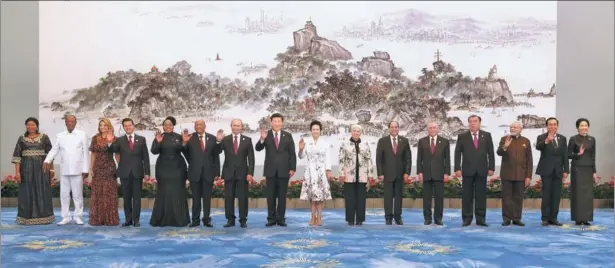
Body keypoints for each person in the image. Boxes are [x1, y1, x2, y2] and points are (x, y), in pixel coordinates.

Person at [43, 113, 89, 225]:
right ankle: (65, 217)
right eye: (68, 121)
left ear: (75, 123)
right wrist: (47, 160)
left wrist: (85, 169)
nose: (70, 123)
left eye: (72, 121)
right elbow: (54, 150)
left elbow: (86, 153)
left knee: (77, 195)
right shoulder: (60, 136)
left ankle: (78, 216)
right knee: (64, 195)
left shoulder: (82, 135)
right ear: (65, 123)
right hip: (64, 170)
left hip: (77, 169)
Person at [255, 113, 297, 227]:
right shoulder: (266, 135)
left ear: (282, 123)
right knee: (271, 196)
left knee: (282, 196)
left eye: (279, 121)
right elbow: (258, 148)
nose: (277, 123)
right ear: (271, 122)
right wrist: (262, 139)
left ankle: (281, 218)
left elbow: (292, 154)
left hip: (284, 170)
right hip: (270, 170)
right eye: (275, 121)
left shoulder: (288, 136)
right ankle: (271, 219)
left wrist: (293, 168)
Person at [11, 117, 55, 225]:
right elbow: (17, 157)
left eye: (33, 124)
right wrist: (17, 172)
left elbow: (51, 154)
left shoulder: (44, 137)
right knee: (26, 191)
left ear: (37, 126)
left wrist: (52, 169)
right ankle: (26, 217)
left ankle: (45, 217)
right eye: (28, 125)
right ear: (26, 126)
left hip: (42, 169)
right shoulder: (21, 138)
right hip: (26, 169)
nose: (30, 127)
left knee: (42, 190)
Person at [454, 115, 495, 227]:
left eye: (475, 121)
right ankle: (466, 219)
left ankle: (481, 219)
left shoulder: (486, 135)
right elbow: (457, 153)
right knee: (467, 196)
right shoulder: (462, 136)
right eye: (470, 121)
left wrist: (491, 167)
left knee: (481, 196)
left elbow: (490, 153)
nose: (473, 123)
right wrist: (457, 168)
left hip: (482, 170)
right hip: (467, 170)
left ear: (479, 123)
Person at [109, 118, 150, 227]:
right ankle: (128, 220)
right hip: (124, 173)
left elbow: (145, 157)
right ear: (123, 127)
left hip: (137, 172)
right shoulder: (119, 140)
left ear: (133, 126)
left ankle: (136, 220)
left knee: (136, 198)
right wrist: (110, 142)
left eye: (129, 125)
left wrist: (147, 173)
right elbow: (112, 150)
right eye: (125, 126)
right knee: (126, 198)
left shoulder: (141, 139)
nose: (128, 127)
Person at [150, 116, 190, 227]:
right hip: (163, 168)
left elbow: (186, 151)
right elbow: (154, 151)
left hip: (178, 168)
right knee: (164, 191)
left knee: (178, 192)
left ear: (173, 126)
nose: (167, 126)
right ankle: (161, 219)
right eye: (165, 125)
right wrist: (157, 142)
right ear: (163, 126)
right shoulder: (159, 136)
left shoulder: (179, 136)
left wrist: (185, 143)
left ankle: (179, 219)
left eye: (170, 125)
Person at [215, 119, 255, 228]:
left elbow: (251, 159)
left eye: (238, 125)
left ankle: (243, 220)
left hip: (243, 173)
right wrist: (218, 141)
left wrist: (250, 173)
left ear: (241, 127)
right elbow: (217, 151)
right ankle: (230, 220)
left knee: (243, 197)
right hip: (228, 173)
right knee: (229, 197)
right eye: (234, 125)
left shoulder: (247, 140)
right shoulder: (225, 139)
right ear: (231, 126)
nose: (236, 127)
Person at [182, 119, 220, 228]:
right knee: (196, 199)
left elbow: (215, 156)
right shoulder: (189, 138)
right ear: (194, 127)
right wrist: (184, 143)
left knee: (207, 199)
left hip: (208, 173)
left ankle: (207, 220)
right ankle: (195, 220)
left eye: (200, 124)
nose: (198, 126)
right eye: (196, 125)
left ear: (205, 126)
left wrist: (217, 173)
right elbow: (185, 153)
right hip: (195, 173)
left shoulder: (212, 138)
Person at [496, 121, 532, 227]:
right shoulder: (504, 139)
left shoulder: (526, 141)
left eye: (515, 127)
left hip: (521, 174)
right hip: (507, 174)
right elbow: (499, 153)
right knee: (506, 197)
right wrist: (505, 146)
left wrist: (528, 176)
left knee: (518, 197)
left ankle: (516, 218)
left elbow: (529, 160)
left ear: (521, 129)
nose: (513, 129)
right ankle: (506, 218)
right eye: (511, 127)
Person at [376, 121, 411, 225]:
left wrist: (407, 172)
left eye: (396, 127)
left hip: (400, 174)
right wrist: (380, 173)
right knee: (388, 197)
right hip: (387, 174)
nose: (394, 129)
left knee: (399, 196)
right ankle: (388, 217)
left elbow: (408, 158)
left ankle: (397, 217)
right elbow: (379, 159)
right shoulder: (382, 141)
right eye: (392, 127)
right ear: (389, 129)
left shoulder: (404, 141)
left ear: (398, 128)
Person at [298, 120, 333, 226]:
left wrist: (328, 171)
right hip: (310, 171)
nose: (315, 131)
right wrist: (300, 149)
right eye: (313, 129)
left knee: (320, 196)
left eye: (317, 129)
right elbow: (301, 156)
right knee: (313, 196)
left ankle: (320, 217)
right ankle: (313, 217)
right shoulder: (306, 142)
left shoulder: (325, 143)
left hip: (321, 172)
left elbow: (328, 158)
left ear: (320, 131)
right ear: (311, 130)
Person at [338, 124, 374, 226]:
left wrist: (370, 174)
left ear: (360, 132)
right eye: (354, 130)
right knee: (350, 198)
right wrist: (341, 173)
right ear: (351, 132)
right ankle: (350, 219)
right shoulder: (344, 144)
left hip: (362, 175)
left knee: (361, 199)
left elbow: (369, 160)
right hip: (349, 175)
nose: (356, 132)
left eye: (358, 131)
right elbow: (341, 160)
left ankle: (360, 219)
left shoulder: (365, 144)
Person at [535, 117, 568, 226]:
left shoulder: (562, 138)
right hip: (546, 170)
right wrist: (546, 141)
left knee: (556, 195)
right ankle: (545, 218)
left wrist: (566, 170)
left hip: (558, 170)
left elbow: (565, 155)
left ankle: (553, 218)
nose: (552, 126)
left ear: (557, 126)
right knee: (547, 194)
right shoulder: (541, 137)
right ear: (547, 126)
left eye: (554, 124)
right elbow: (538, 147)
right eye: (550, 124)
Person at [416, 122, 450, 226]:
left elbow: (447, 159)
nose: (432, 129)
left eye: (434, 127)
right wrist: (419, 172)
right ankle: (427, 219)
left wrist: (446, 173)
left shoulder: (444, 141)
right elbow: (419, 159)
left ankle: (438, 219)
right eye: (430, 128)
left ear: (438, 129)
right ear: (428, 129)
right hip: (426, 174)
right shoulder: (422, 141)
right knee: (427, 199)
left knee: (439, 198)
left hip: (439, 174)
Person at [87, 119, 119, 226]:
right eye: (101, 125)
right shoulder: (95, 138)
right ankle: (98, 219)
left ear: (109, 127)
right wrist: (91, 168)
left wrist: (121, 167)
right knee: (98, 193)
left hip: (109, 168)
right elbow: (93, 154)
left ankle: (110, 219)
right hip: (98, 168)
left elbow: (117, 154)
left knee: (109, 193)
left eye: (105, 125)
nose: (102, 127)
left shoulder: (115, 139)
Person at [567, 118, 598, 225]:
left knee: (587, 195)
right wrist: (578, 154)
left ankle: (586, 218)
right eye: (581, 125)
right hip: (577, 169)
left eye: (586, 125)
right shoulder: (573, 139)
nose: (584, 127)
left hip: (588, 169)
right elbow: (568, 154)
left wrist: (594, 172)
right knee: (578, 194)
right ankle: (578, 218)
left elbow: (593, 157)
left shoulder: (592, 139)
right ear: (577, 128)